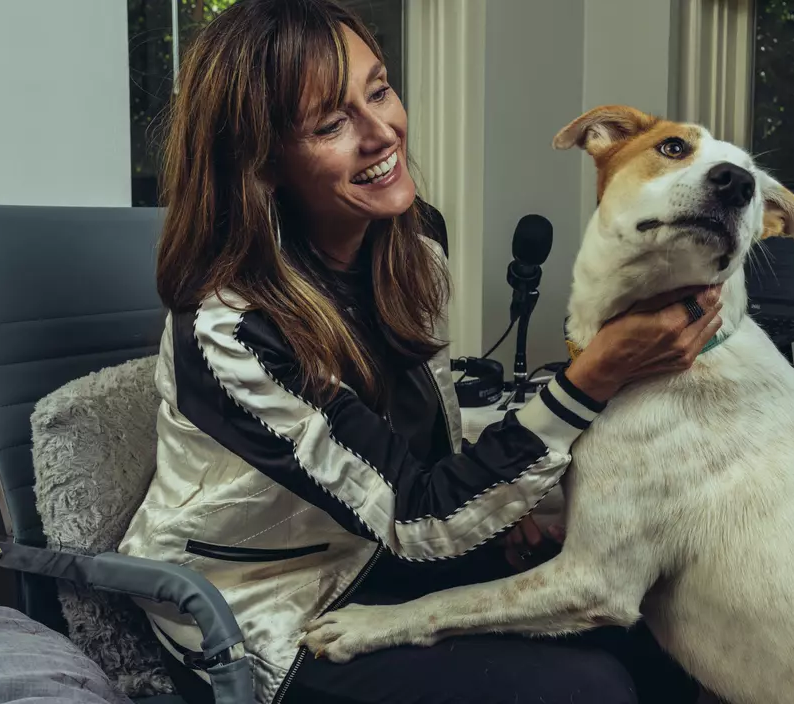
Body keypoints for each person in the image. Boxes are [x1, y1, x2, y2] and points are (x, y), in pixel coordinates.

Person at [116, 1, 723, 703]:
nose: (383, 133)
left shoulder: (413, 240)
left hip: (380, 555)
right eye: (332, 123)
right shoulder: (231, 328)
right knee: (586, 690)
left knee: (663, 627)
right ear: (265, 163)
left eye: (379, 90)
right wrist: (595, 377)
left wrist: (497, 510)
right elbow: (419, 518)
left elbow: (414, 436)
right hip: (264, 605)